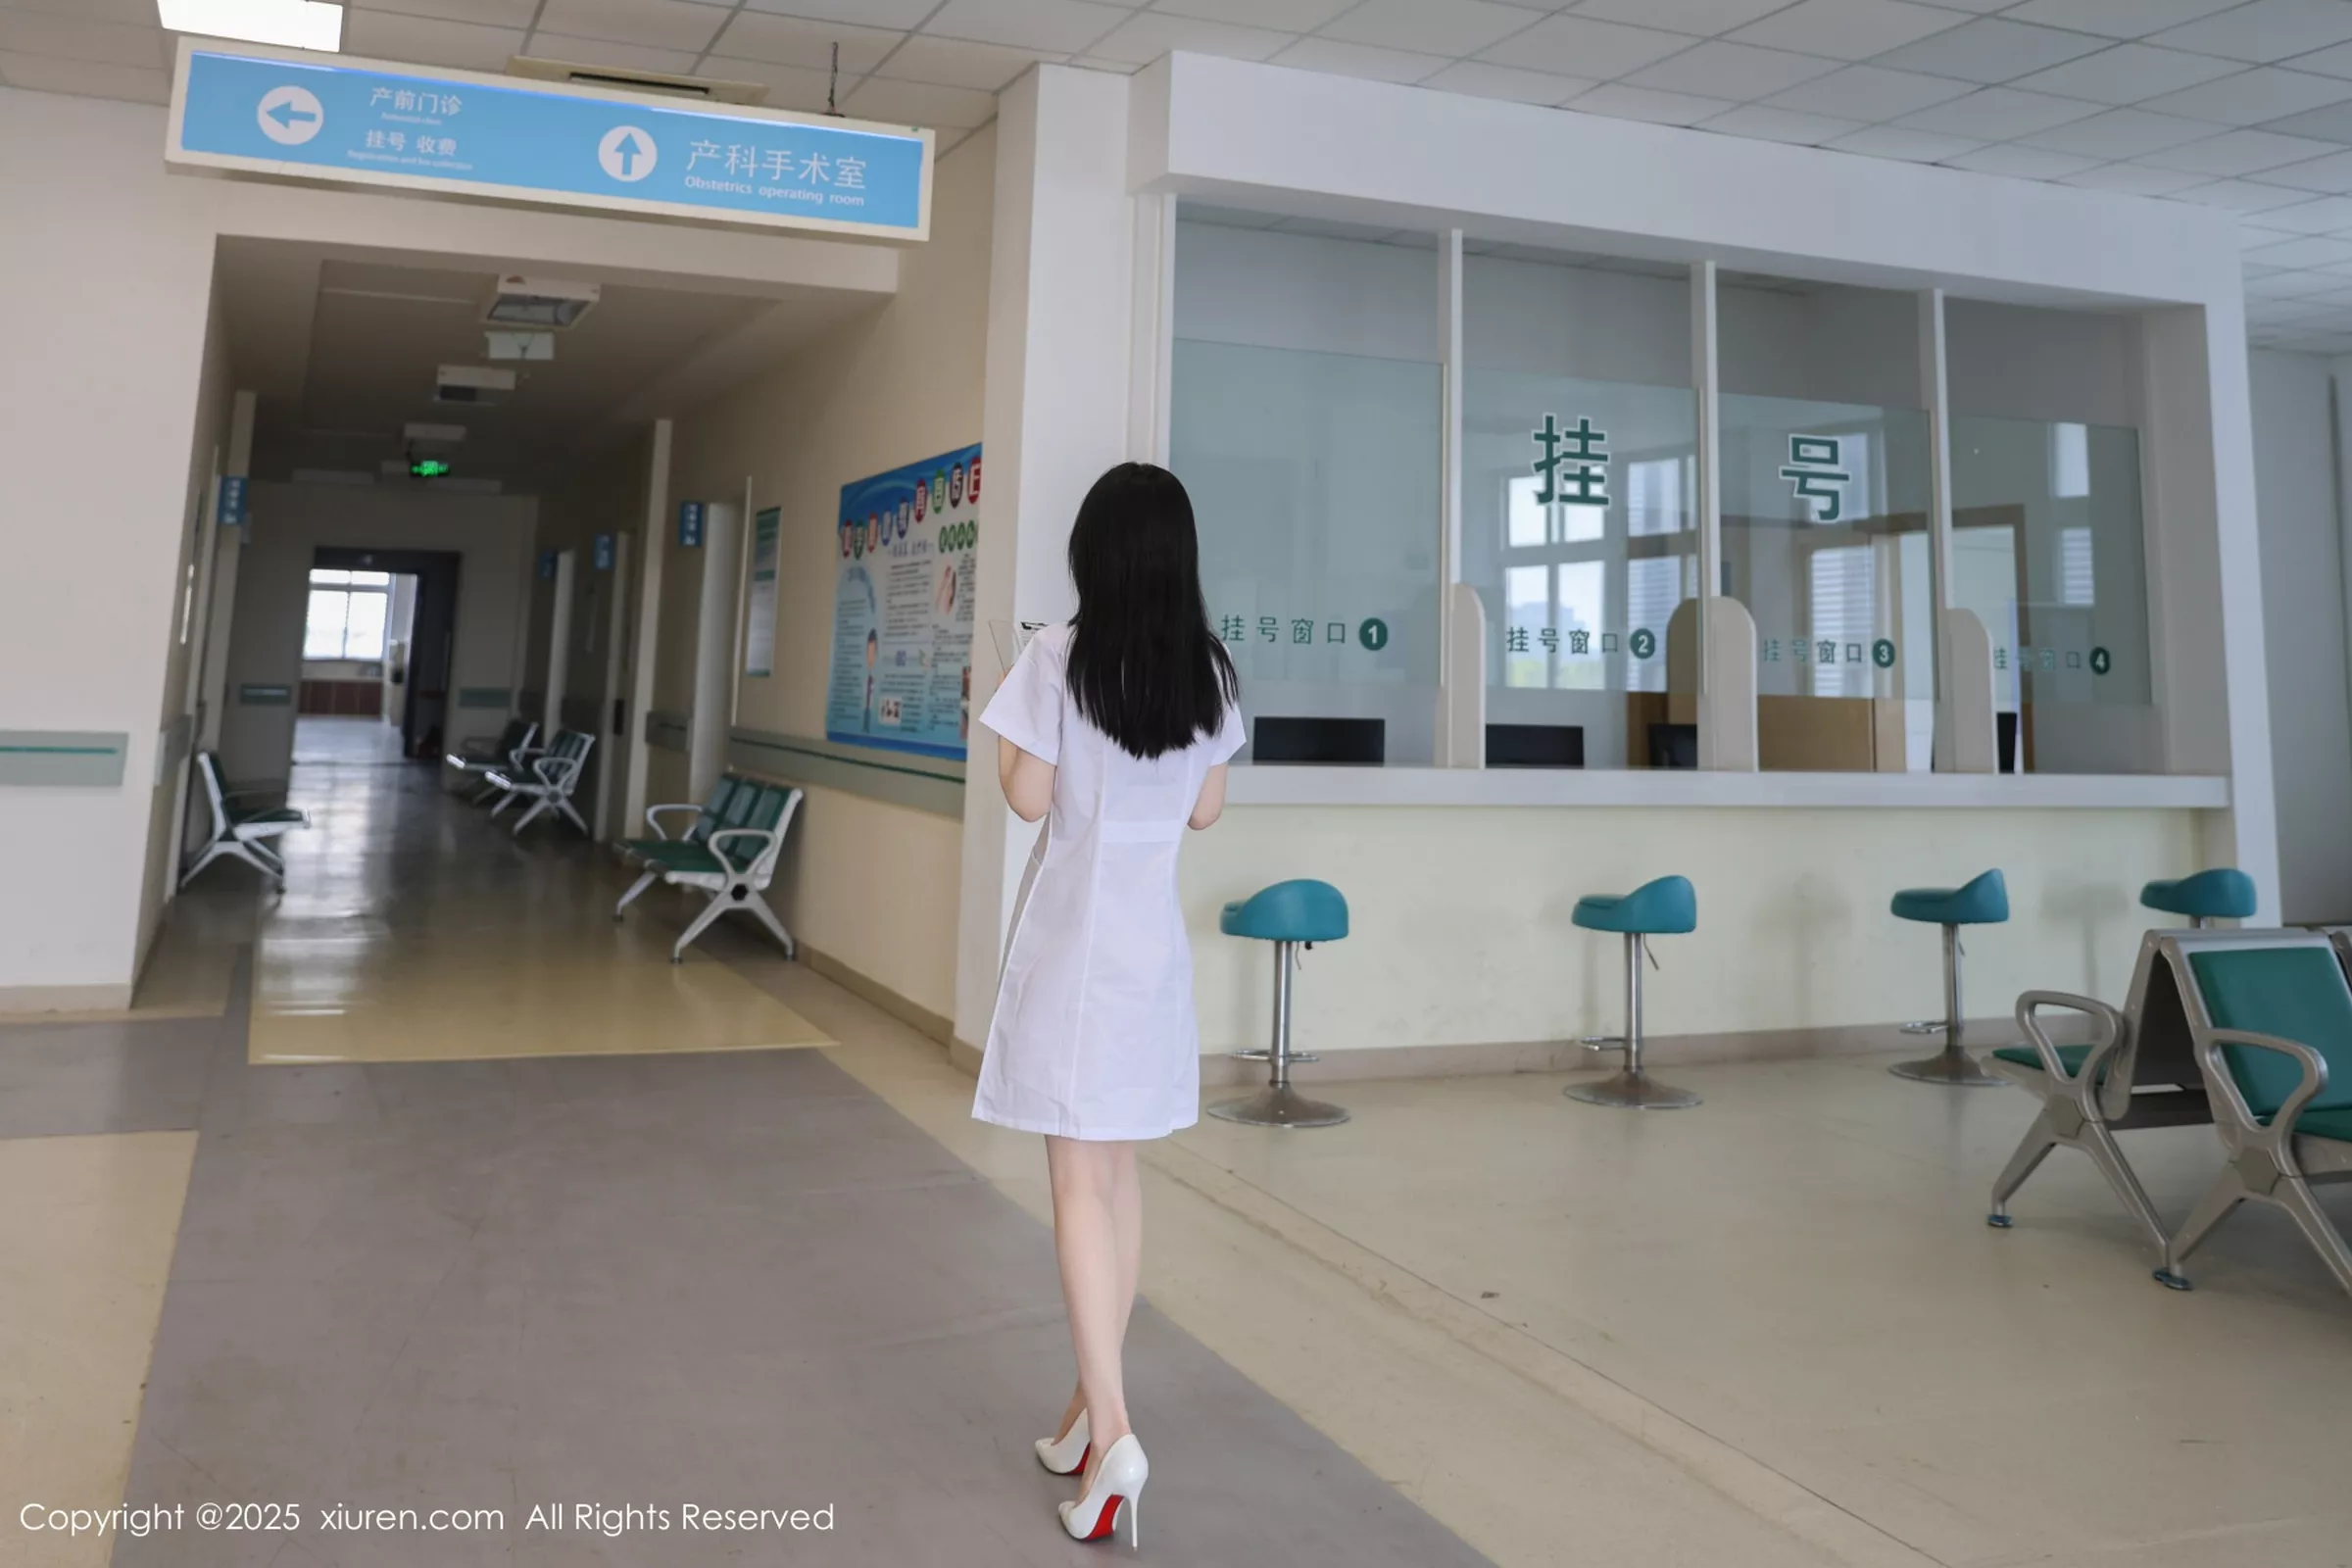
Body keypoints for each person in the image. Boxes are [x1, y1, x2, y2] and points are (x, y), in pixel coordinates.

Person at [974, 463, 1243, 1549]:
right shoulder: (1208, 669)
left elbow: (1028, 797)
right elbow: (1206, 811)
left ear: (1094, 553)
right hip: (1151, 958)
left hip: (1075, 957)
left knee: (1078, 1185)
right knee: (1119, 1177)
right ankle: (1089, 1410)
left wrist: (1006, 721)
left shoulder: (1056, 655)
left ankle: (1118, 1431)